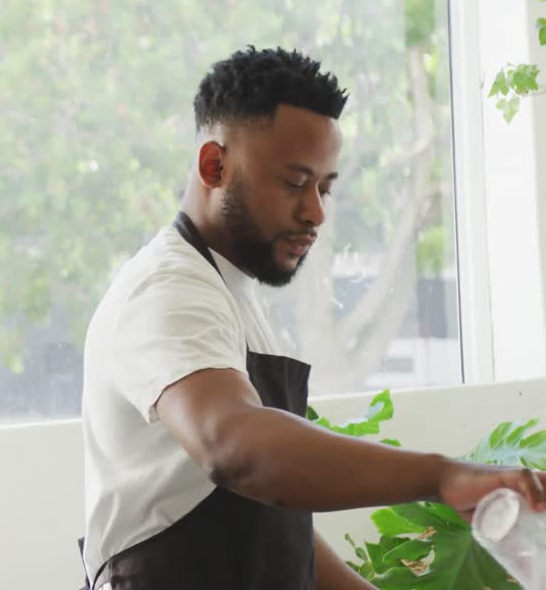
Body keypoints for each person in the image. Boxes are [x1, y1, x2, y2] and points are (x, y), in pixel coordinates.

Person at [80, 46, 546, 589]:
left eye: (325, 188)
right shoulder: (169, 291)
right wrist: (443, 476)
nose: (316, 213)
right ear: (214, 166)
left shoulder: (232, 295)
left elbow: (271, 523)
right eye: (295, 183)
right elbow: (234, 448)